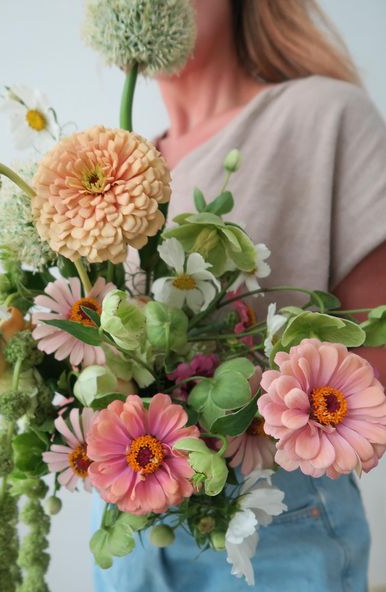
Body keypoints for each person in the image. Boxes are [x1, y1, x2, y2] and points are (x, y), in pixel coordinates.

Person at [92, 1, 386, 590]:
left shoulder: (324, 114)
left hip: (274, 519)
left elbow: (374, 364)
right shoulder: (110, 171)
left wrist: (242, 409)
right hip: (132, 524)